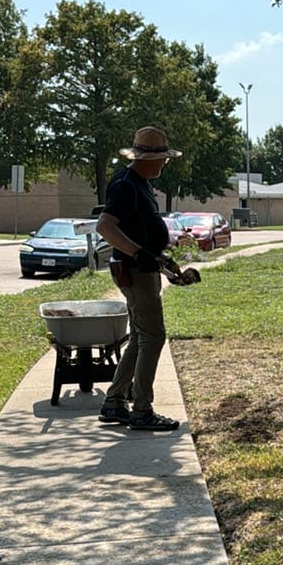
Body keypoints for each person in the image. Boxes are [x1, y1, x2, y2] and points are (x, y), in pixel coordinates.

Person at [95, 126, 185, 431]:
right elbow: (105, 227)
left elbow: (141, 231)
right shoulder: (126, 184)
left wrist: (160, 258)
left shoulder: (140, 184)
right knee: (153, 336)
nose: (164, 164)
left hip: (141, 268)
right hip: (134, 272)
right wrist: (138, 254)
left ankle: (114, 401)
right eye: (161, 158)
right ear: (147, 158)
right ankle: (142, 409)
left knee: (139, 336)